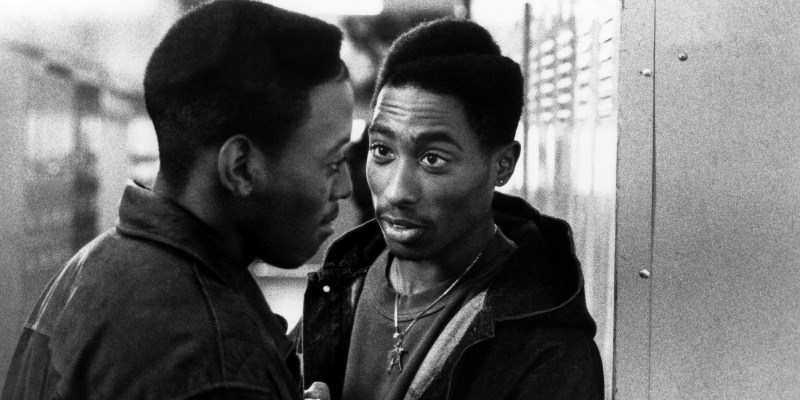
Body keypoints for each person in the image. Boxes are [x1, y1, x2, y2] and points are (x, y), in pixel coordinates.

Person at [2, 1, 353, 399]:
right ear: (240, 168)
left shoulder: (93, 265)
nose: (344, 186)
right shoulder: (214, 365)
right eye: (333, 162)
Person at [296, 19, 604, 400]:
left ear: (503, 165)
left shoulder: (549, 351)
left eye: (432, 159)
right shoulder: (342, 280)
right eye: (382, 150)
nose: (397, 191)